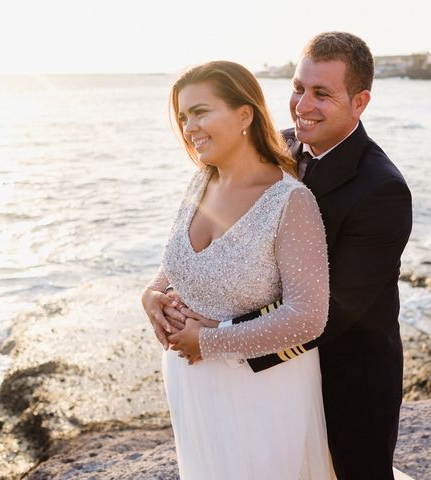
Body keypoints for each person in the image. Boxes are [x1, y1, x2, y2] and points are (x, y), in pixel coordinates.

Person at [149, 32, 413, 479]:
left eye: (322, 94)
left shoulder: (381, 189)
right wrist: (159, 291)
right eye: (298, 88)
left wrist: (217, 337)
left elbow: (334, 311)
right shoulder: (273, 149)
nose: (302, 105)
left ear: (360, 101)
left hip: (347, 373)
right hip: (245, 374)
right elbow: (225, 245)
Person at [142, 60, 334, 479]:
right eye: (182, 117)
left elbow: (309, 316)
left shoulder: (290, 202)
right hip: (192, 386)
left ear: (244, 114)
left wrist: (209, 342)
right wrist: (151, 295)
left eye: (200, 112)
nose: (189, 127)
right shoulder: (200, 182)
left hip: (260, 393)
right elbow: (175, 266)